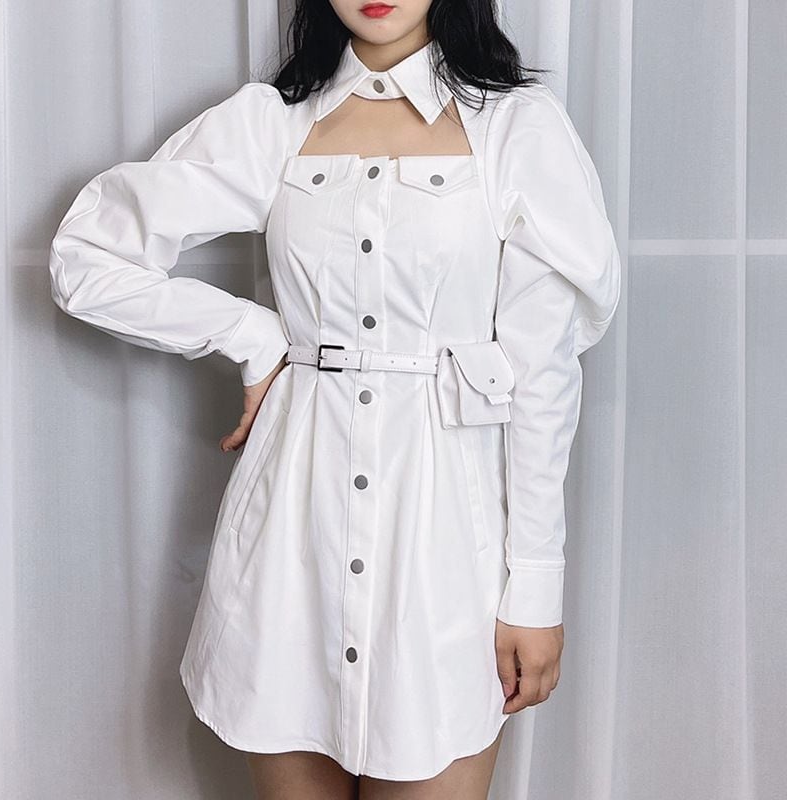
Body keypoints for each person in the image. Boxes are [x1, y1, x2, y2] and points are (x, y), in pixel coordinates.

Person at [48, 0, 621, 797]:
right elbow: (86, 256)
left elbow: (543, 377)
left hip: (448, 558)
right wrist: (251, 333)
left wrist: (535, 586)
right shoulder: (272, 123)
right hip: (289, 550)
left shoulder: (518, 129)